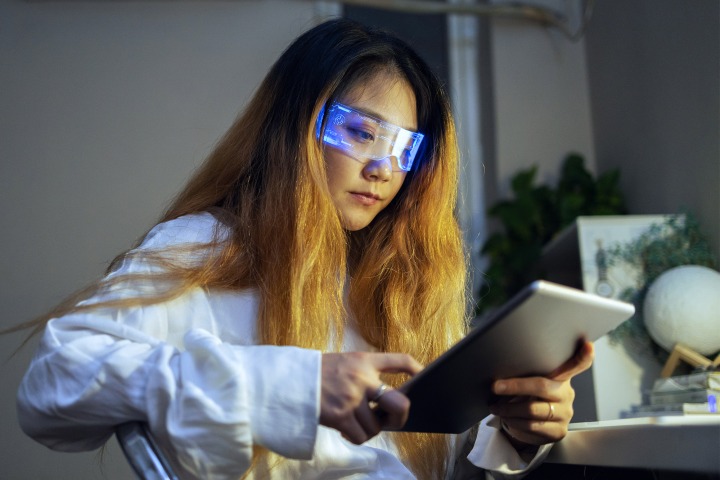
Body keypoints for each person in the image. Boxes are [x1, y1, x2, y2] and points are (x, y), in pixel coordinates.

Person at [16, 18, 593, 480]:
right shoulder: (209, 245)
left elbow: (425, 466)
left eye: (404, 149)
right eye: (361, 132)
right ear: (295, 127)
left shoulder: (395, 287)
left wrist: (511, 434)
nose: (382, 169)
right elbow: (52, 383)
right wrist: (291, 385)